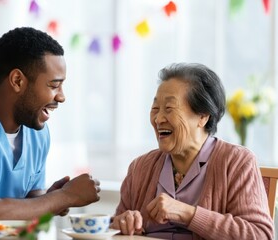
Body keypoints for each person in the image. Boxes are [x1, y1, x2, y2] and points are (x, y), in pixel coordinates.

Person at [0, 27, 100, 232]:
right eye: (53, 85)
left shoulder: (37, 133)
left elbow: (29, 203)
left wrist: (50, 199)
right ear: (17, 80)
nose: (61, 96)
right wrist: (64, 197)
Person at [110, 63, 274, 239]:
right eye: (155, 109)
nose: (158, 118)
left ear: (203, 116)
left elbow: (260, 235)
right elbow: (115, 228)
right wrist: (122, 223)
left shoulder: (237, 161)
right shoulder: (140, 167)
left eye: (169, 108)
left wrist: (188, 213)